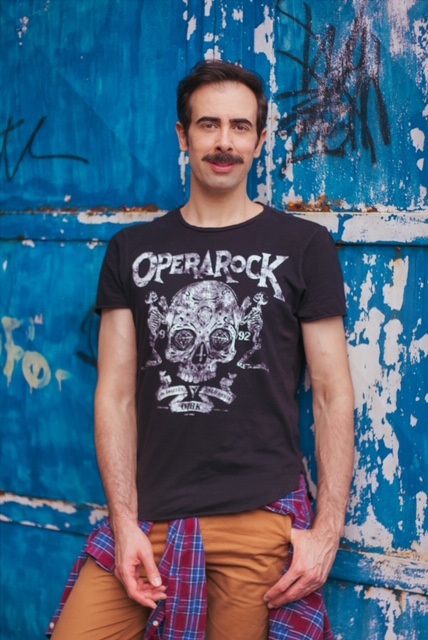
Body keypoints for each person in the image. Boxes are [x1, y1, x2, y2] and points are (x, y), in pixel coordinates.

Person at [47, 59, 354, 640]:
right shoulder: (131, 250)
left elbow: (333, 395)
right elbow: (114, 396)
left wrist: (328, 530)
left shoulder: (303, 246)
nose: (224, 142)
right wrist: (124, 523)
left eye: (240, 126)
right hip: (150, 517)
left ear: (260, 140)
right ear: (182, 135)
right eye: (208, 124)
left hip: (258, 518)